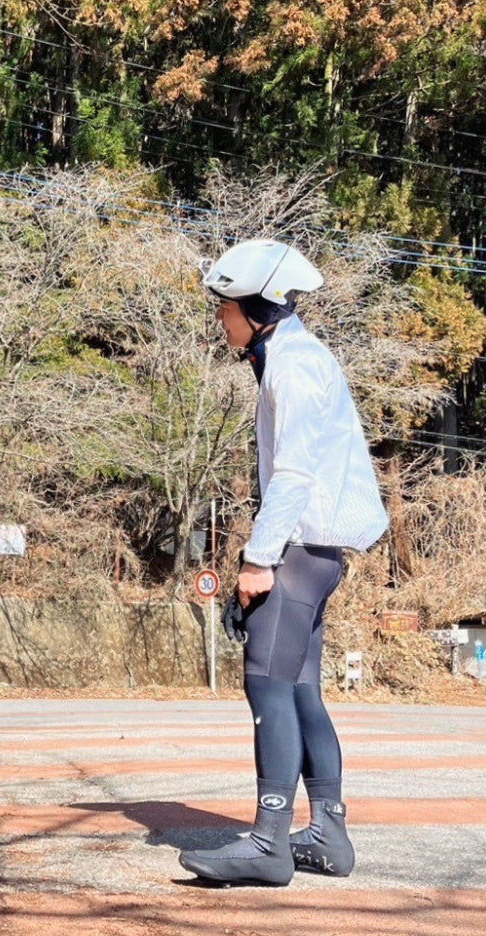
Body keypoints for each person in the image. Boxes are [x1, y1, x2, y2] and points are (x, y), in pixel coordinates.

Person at [179, 239, 388, 886]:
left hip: (297, 552)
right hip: (319, 554)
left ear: (257, 307)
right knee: (300, 691)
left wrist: (256, 560)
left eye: (225, 308)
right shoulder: (294, 356)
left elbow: (293, 475)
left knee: (265, 682)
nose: (219, 319)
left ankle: (268, 842)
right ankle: (328, 833)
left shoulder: (293, 367)